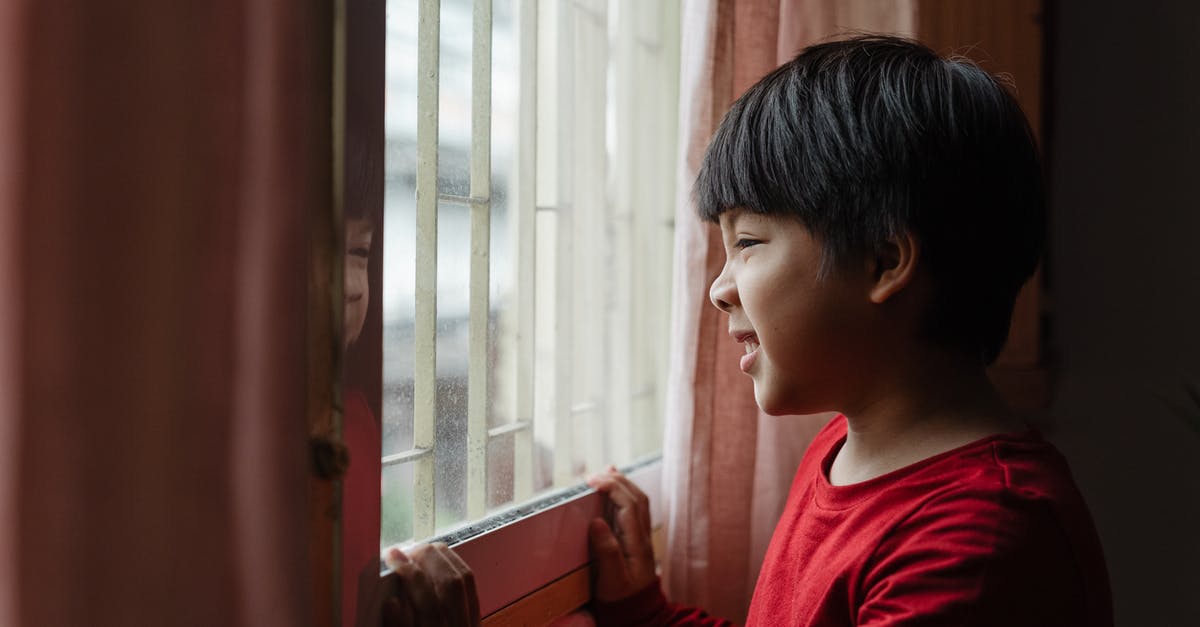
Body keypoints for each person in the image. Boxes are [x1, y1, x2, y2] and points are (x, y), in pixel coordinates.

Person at [383, 35, 1113, 626]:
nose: (718, 288)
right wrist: (644, 614)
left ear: (884, 262)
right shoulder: (846, 448)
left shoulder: (976, 541)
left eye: (750, 243)